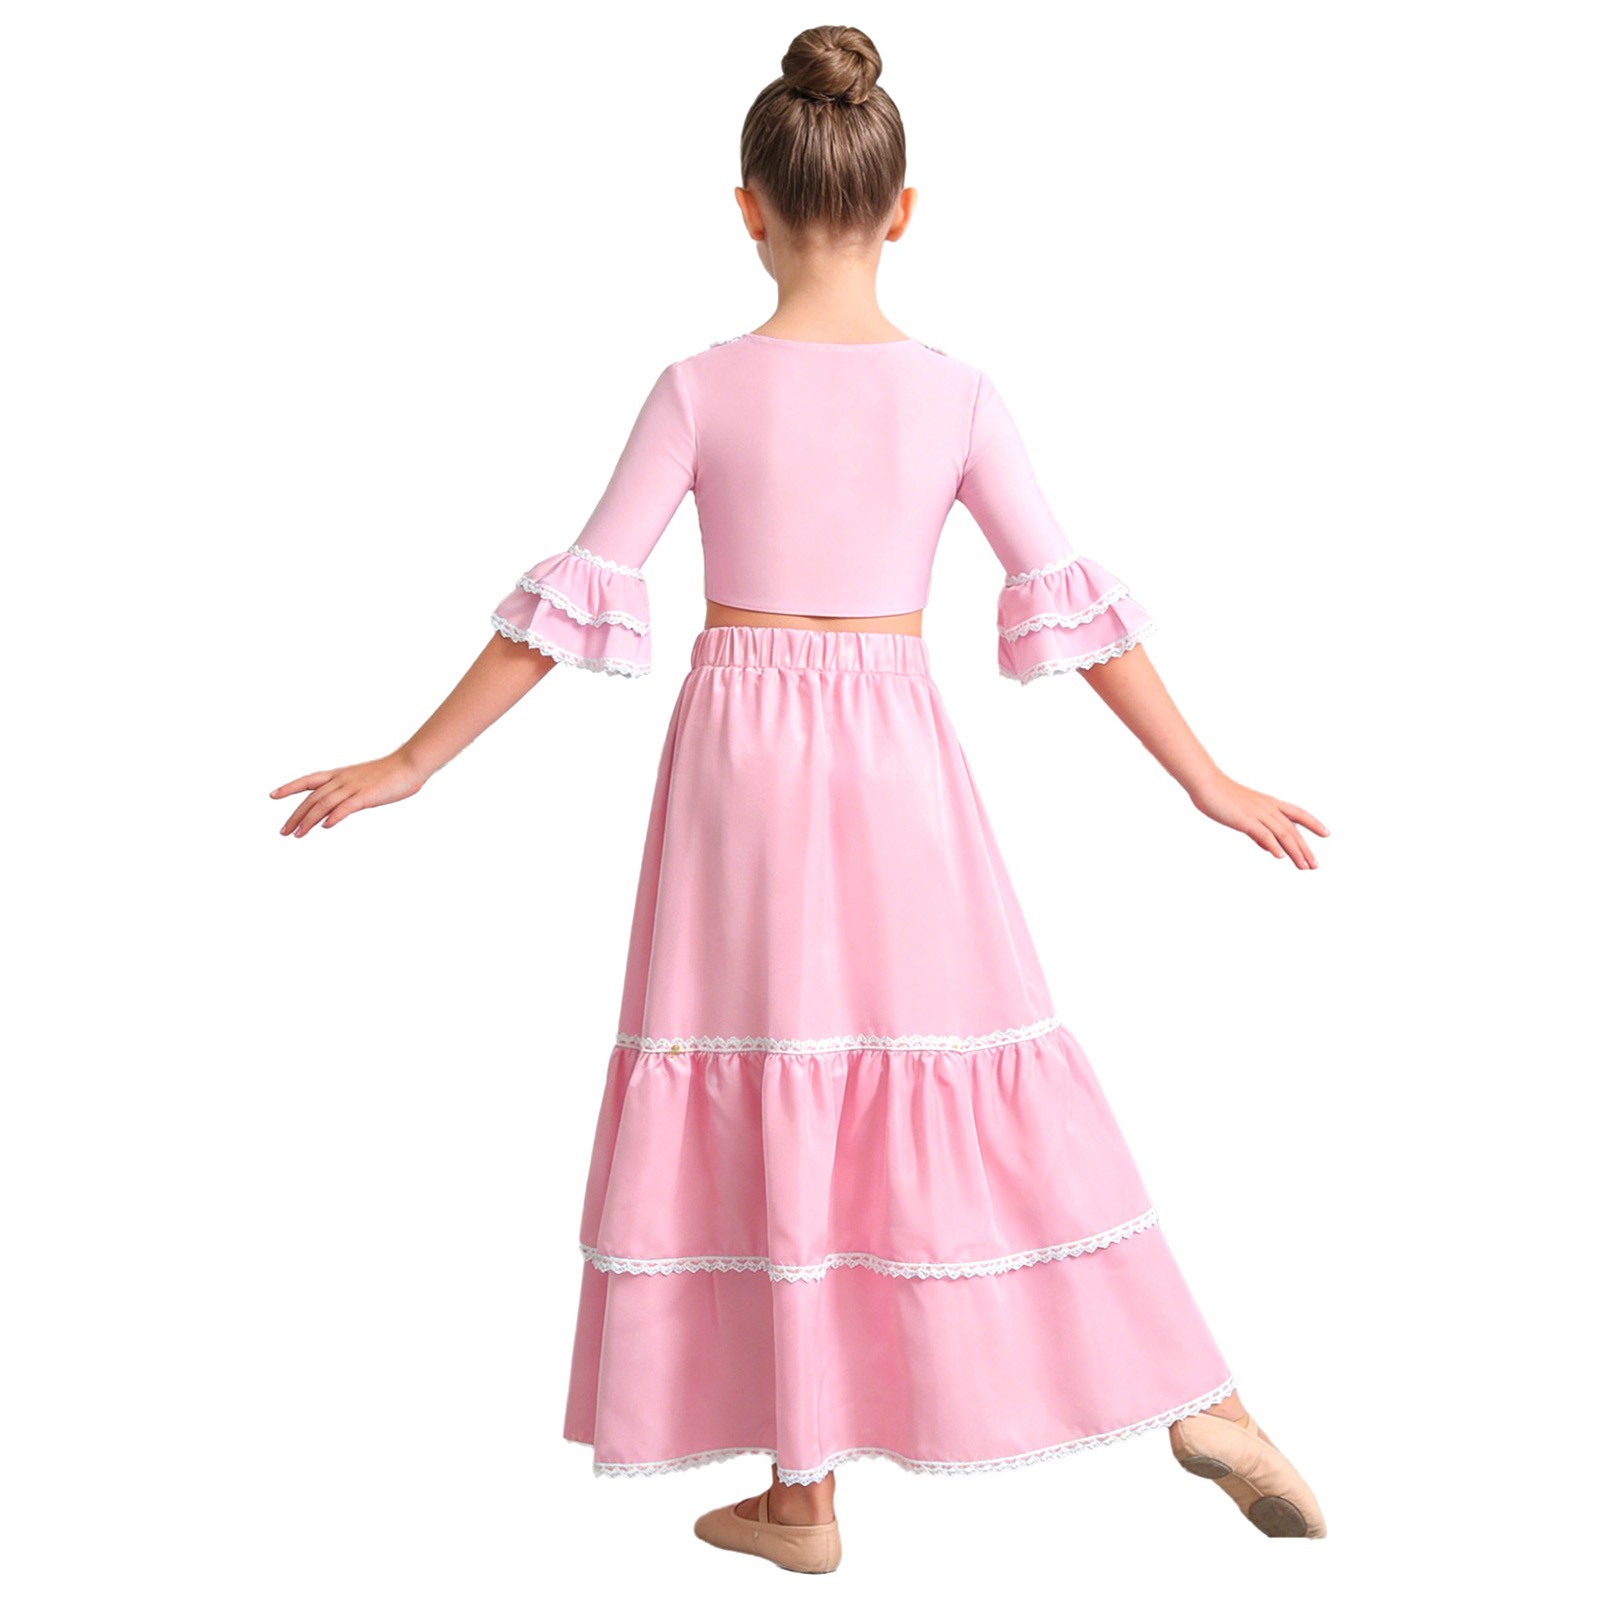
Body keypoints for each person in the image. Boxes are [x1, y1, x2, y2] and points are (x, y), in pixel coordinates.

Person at [270, 24, 1330, 1574]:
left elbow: (571, 602)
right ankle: (1204, 1398)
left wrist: (415, 759)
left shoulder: (699, 387)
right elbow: (1075, 606)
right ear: (904, 209)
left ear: (748, 209)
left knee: (773, 1079)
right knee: (976, 1065)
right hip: (898, 753)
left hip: (740, 767)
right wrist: (1205, 778)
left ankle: (805, 1493)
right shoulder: (957, 395)